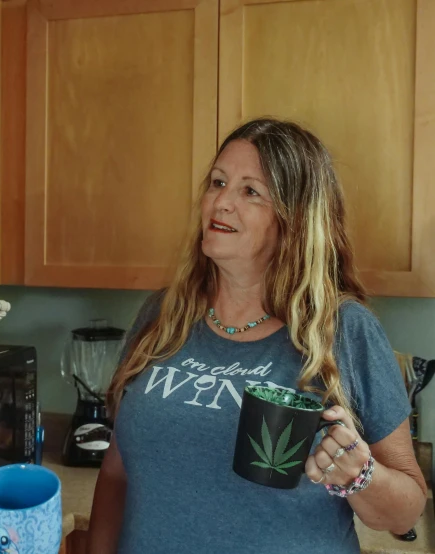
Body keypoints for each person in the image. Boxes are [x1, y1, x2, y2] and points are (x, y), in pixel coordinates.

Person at [87, 118, 427, 553]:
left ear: (295, 219)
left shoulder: (344, 330)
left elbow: (406, 510)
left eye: (250, 191)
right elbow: (117, 473)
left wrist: (359, 475)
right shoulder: (163, 315)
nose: (221, 202)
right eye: (217, 182)